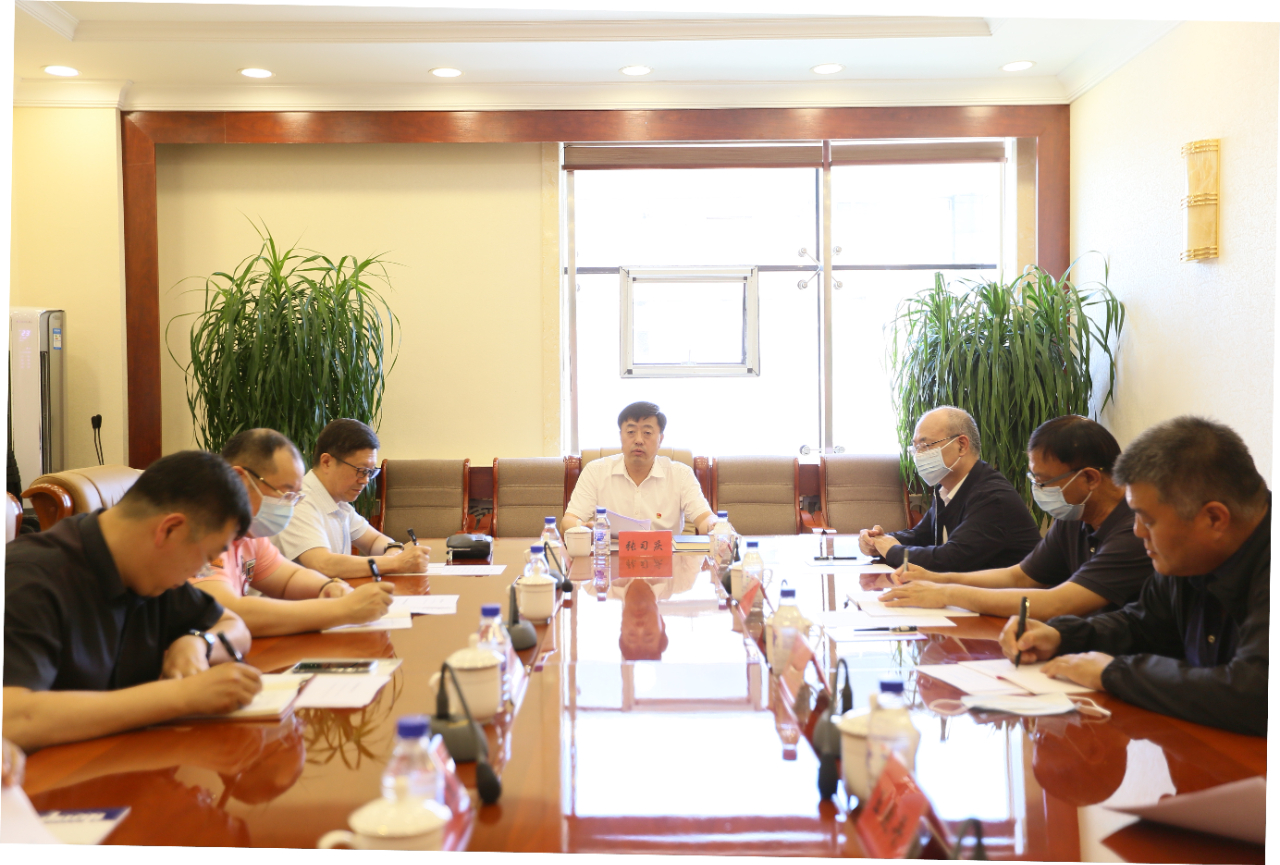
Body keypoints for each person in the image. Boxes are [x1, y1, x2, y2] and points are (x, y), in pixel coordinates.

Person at [999, 416, 1269, 737]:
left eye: (1147, 519)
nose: (1137, 531)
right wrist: (1061, 636)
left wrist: (1114, 673)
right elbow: (1141, 625)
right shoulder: (1188, 554)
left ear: (1214, 518)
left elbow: (1253, 694)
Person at [3, 451, 263, 751]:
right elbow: (11, 717)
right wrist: (181, 696)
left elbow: (234, 626)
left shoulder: (152, 571)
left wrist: (197, 643)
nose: (199, 572)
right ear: (169, 529)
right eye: (206, 557)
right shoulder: (31, 577)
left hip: (121, 759)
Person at [880, 416, 1151, 618]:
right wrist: (938, 579)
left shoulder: (1135, 531)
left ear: (1090, 478)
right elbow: (1020, 576)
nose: (1038, 490)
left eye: (1044, 481)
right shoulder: (1075, 518)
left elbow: (1057, 603)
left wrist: (946, 593)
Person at [191, 428, 396, 636]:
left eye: (295, 496)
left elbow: (289, 578)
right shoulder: (201, 532)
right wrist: (342, 610)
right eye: (285, 492)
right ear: (240, 480)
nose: (289, 505)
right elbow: (226, 611)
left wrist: (329, 587)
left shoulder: (249, 534)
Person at [859, 405, 1041, 571]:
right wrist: (879, 540)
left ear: (961, 445)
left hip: (1015, 596)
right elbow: (922, 536)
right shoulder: (945, 489)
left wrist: (892, 550)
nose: (918, 455)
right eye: (915, 448)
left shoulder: (992, 497)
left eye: (925, 445)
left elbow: (950, 560)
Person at [273, 419, 432, 578]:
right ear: (327, 462)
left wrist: (393, 550)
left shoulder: (339, 501)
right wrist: (395, 563)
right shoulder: (298, 502)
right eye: (361, 470)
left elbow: (374, 540)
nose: (365, 481)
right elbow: (323, 564)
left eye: (370, 472)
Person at [564, 401, 714, 535]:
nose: (639, 440)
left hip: (664, 555)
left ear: (660, 439)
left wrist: (715, 526)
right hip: (611, 555)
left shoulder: (681, 475)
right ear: (621, 436)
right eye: (631, 432)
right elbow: (569, 520)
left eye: (647, 433)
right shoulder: (595, 471)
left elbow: (704, 518)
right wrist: (584, 528)